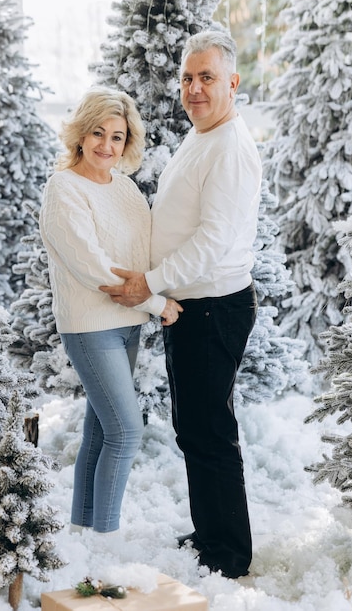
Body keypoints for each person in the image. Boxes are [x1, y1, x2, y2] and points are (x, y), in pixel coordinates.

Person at [99, 30, 262, 577]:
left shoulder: (230, 148)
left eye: (207, 78)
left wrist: (152, 282)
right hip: (193, 306)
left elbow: (212, 241)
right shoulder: (204, 135)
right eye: (188, 78)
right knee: (195, 426)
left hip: (213, 307)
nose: (193, 88)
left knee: (209, 430)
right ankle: (212, 532)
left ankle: (228, 555)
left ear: (233, 83)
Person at [39, 87, 183, 537]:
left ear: (127, 143)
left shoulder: (124, 188)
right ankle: (106, 543)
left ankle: (82, 538)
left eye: (117, 137)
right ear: (81, 134)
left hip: (127, 326)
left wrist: (156, 288)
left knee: (102, 433)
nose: (106, 145)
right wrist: (158, 303)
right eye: (98, 133)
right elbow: (93, 267)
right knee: (125, 433)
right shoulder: (63, 187)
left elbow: (139, 257)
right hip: (91, 325)